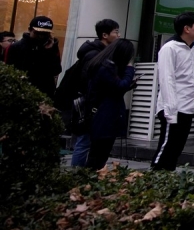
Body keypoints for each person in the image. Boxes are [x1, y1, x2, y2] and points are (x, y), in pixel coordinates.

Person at [151, 12, 194, 171]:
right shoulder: (169, 48)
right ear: (187, 29)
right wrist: (171, 110)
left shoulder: (191, 48)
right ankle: (155, 175)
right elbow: (166, 79)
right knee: (167, 147)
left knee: (176, 148)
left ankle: (166, 177)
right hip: (173, 108)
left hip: (187, 108)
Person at [64, 19, 120, 167]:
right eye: (116, 32)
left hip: (96, 102)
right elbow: (88, 80)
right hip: (90, 102)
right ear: (105, 35)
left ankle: (85, 173)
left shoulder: (103, 53)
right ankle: (77, 173)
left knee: (89, 140)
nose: (118, 35)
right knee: (84, 140)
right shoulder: (94, 54)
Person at [84, 39, 137, 170]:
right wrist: (130, 70)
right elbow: (119, 86)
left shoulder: (104, 65)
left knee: (99, 154)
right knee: (98, 155)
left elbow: (112, 89)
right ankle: (90, 177)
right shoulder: (106, 68)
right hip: (104, 116)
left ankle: (91, 176)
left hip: (104, 115)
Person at [6, 16, 62, 99]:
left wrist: (49, 52)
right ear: (30, 30)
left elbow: (56, 70)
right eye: (37, 33)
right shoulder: (17, 47)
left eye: (45, 34)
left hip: (44, 92)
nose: (41, 36)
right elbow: (10, 70)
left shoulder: (52, 47)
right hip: (21, 92)